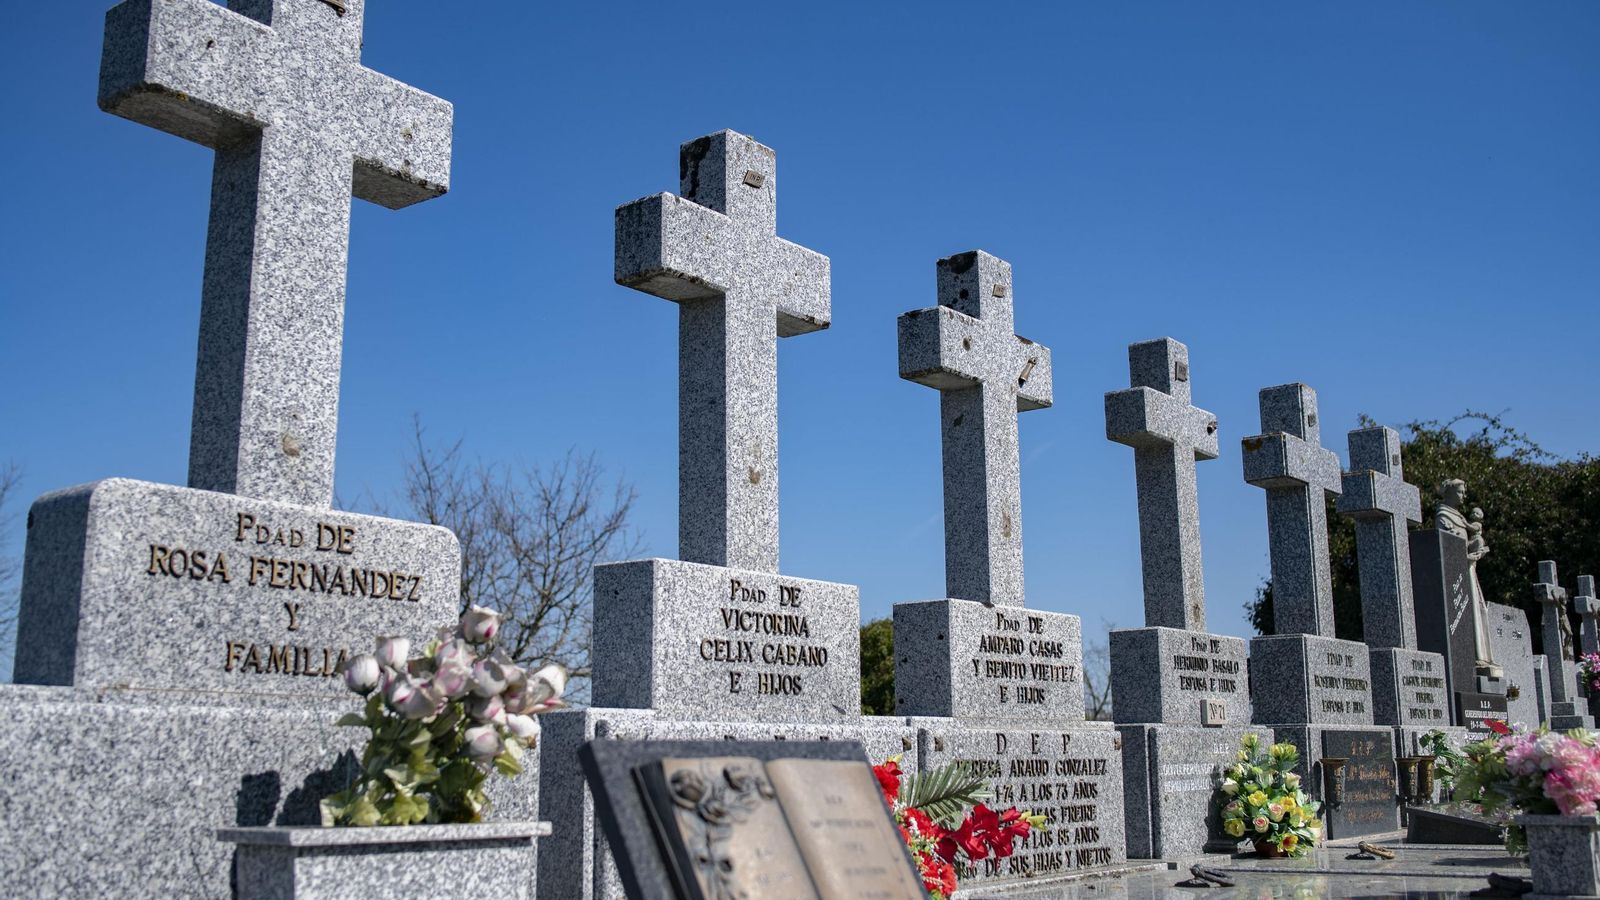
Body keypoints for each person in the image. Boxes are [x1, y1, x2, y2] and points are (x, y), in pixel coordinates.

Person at [1436, 480, 1502, 679]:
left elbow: (1463, 545)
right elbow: (1446, 548)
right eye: (1461, 492)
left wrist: (1476, 547)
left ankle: (1481, 653)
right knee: (1469, 610)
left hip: (1469, 570)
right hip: (1456, 575)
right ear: (1449, 493)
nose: (1464, 496)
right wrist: (1467, 554)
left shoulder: (1461, 518)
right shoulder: (1443, 516)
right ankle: (1474, 654)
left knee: (1478, 609)